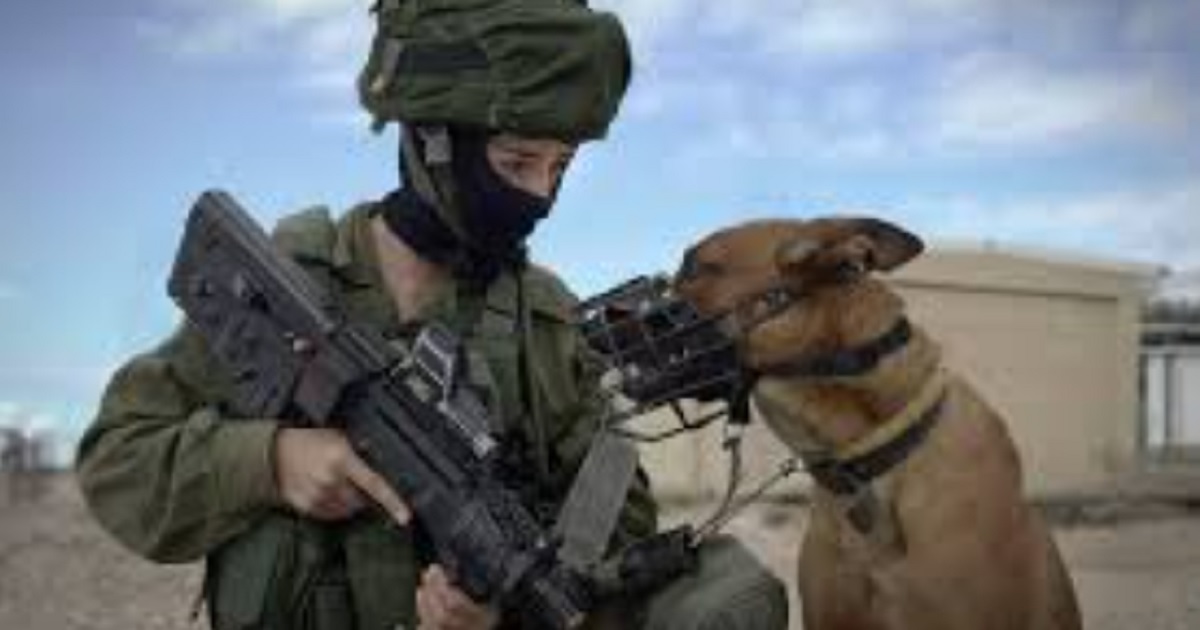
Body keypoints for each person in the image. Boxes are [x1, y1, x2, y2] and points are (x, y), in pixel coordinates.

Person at [75, 1, 788, 629]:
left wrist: (502, 613)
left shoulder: (545, 321)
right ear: (432, 140)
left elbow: (617, 525)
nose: (540, 195)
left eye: (560, 168)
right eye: (516, 163)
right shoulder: (293, 282)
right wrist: (269, 460)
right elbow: (118, 459)